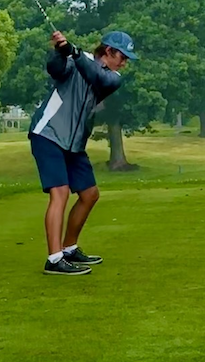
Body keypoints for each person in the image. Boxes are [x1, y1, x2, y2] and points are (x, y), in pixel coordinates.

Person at [27, 30, 138, 275]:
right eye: (122, 56)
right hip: (48, 133)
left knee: (90, 194)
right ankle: (54, 259)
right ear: (108, 51)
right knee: (61, 193)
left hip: (74, 144)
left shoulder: (112, 77)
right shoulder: (75, 59)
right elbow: (55, 69)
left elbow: (95, 75)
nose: (124, 62)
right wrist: (60, 50)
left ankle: (69, 248)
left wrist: (73, 51)